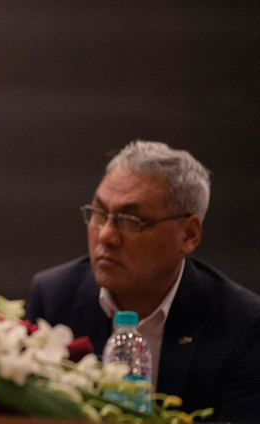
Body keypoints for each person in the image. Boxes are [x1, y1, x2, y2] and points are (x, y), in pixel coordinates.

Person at [24, 140, 260, 421]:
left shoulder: (242, 324)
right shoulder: (54, 298)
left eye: (130, 221)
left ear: (189, 235)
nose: (105, 237)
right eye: (99, 214)